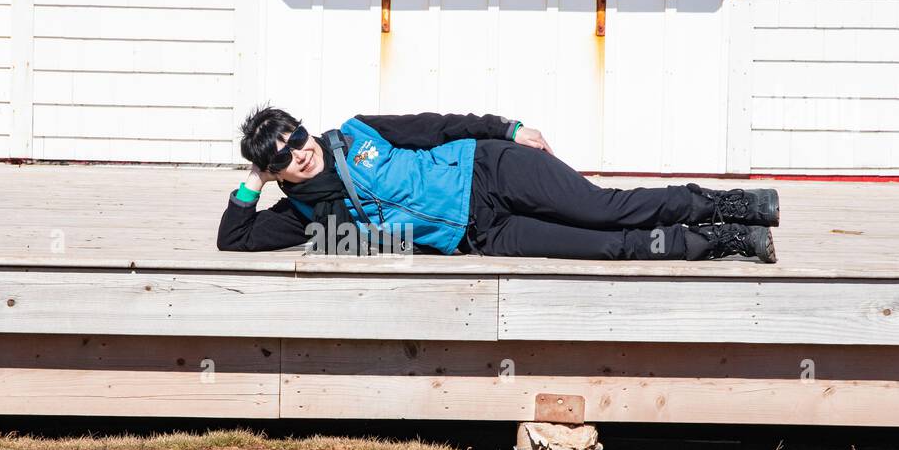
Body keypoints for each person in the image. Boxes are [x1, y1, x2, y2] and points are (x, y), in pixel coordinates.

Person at [216, 107, 779, 262]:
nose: (299, 152)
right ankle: (724, 242)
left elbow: (438, 127)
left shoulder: (360, 132)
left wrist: (509, 129)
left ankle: (728, 203)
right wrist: (251, 182)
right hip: (482, 235)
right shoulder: (304, 218)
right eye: (282, 158)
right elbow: (234, 240)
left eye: (296, 137)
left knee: (604, 210)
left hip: (490, 169)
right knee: (607, 246)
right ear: (275, 173)